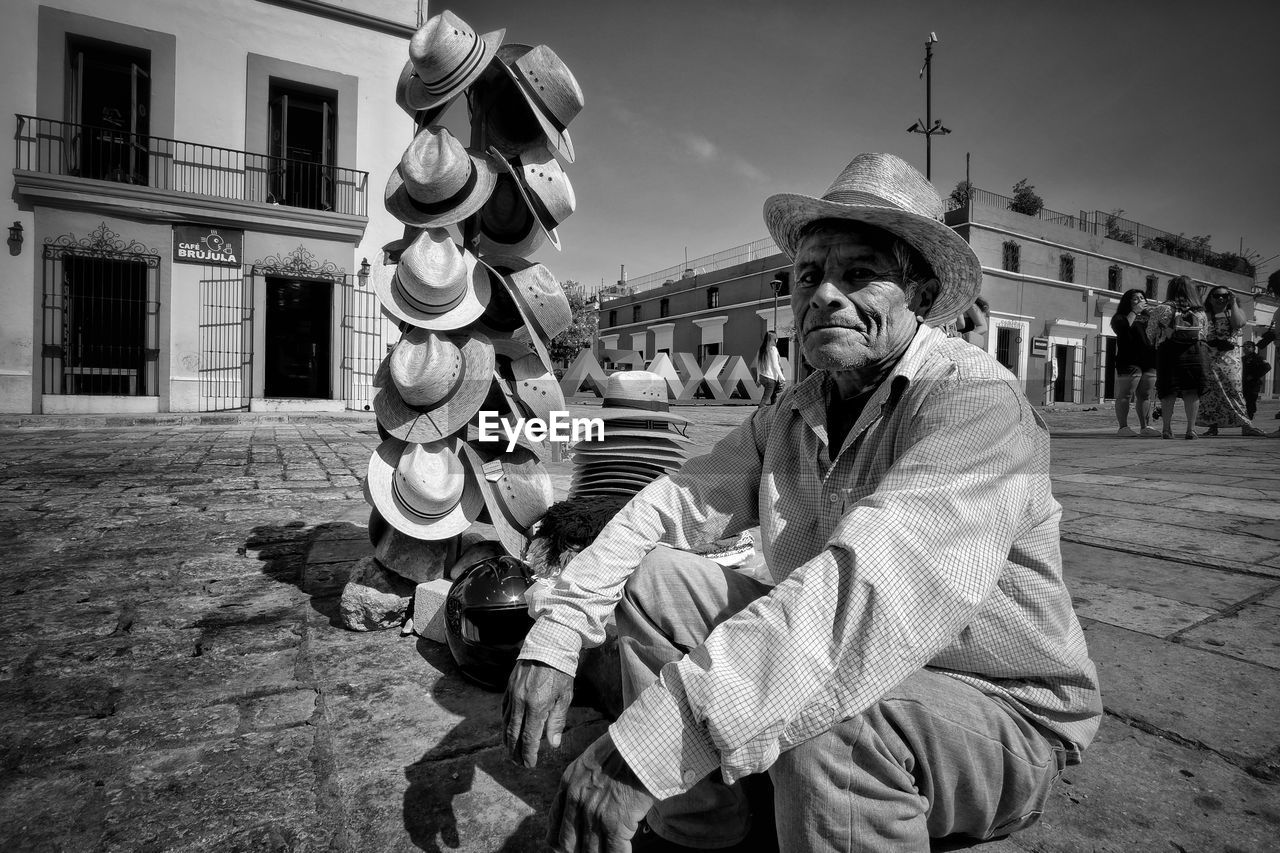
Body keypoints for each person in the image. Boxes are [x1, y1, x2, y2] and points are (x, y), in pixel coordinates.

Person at [503, 153, 1100, 853]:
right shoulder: (793, 408)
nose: (822, 295)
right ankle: (705, 827)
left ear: (922, 290)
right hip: (852, 650)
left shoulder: (975, 402)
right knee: (645, 577)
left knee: (829, 720)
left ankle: (815, 792)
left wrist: (646, 746)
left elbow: (865, 597)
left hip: (995, 708)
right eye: (810, 275)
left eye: (858, 273)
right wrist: (561, 628)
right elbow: (672, 501)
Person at [1196, 287, 1268, 437]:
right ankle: (1212, 425)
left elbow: (1239, 323)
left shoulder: (1233, 311)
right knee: (1211, 393)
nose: (1221, 298)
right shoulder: (1205, 315)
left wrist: (1233, 302)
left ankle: (1246, 425)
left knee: (1234, 391)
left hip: (1230, 360)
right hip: (1210, 358)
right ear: (1210, 298)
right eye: (1217, 295)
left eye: (1225, 296)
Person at [1149, 275, 1209, 440]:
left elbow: (1150, 333)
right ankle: (1191, 429)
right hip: (1195, 353)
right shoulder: (1201, 312)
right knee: (1192, 392)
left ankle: (1167, 429)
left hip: (1168, 353)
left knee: (1168, 391)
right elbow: (1205, 334)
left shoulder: (1162, 309)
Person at [1109, 289, 1158, 436]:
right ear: (1128, 302)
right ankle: (1123, 427)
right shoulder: (1120, 317)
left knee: (1145, 394)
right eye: (1135, 298)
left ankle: (1145, 427)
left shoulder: (1150, 317)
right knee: (1126, 393)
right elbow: (1123, 330)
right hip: (1129, 360)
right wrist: (1135, 312)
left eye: (1142, 298)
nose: (1140, 300)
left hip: (1149, 360)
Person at [754, 331, 786, 407]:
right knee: (765, 401)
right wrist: (782, 378)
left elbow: (758, 364)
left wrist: (758, 378)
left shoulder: (761, 349)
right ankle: (757, 416)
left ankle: (772, 416)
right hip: (770, 378)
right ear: (774, 339)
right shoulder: (773, 349)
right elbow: (775, 365)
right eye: (776, 338)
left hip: (763, 377)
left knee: (774, 398)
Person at [1241, 341, 1269, 421]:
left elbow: (1267, 367)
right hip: (1244, 384)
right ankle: (1246, 417)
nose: (1245, 348)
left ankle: (1250, 418)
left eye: (1248, 346)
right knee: (1244, 401)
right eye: (1244, 347)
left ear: (1253, 348)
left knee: (1251, 401)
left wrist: (1254, 376)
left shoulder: (1258, 358)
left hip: (1253, 384)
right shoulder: (1243, 359)